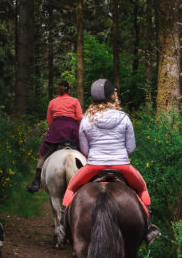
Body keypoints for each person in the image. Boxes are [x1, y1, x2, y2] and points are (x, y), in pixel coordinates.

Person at [61, 78, 161, 245]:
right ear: (112, 96)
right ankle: (149, 228)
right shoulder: (124, 118)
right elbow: (131, 147)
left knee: (71, 188)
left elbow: (84, 150)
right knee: (142, 188)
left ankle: (63, 226)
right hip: (122, 165)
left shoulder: (86, 120)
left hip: (94, 166)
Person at [26, 79, 83, 192]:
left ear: (59, 90)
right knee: (84, 151)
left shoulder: (52, 102)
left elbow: (49, 120)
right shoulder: (75, 101)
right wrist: (78, 128)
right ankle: (92, 177)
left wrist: (54, 129)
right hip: (72, 129)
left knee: (43, 154)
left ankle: (36, 181)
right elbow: (80, 117)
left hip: (56, 129)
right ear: (69, 90)